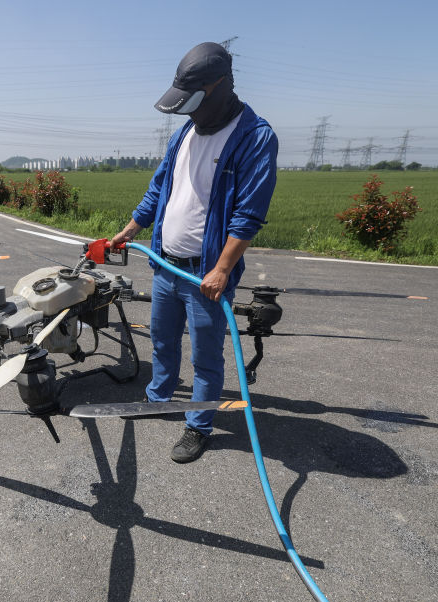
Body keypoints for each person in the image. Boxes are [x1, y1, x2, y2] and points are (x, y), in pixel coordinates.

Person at [111, 42, 278, 464]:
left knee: (206, 356)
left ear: (219, 88)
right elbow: (159, 188)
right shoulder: (185, 132)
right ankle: (158, 397)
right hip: (167, 265)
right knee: (163, 341)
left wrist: (223, 269)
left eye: (193, 103)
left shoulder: (254, 137)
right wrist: (131, 229)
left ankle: (199, 425)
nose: (188, 112)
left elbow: (248, 216)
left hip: (206, 276)